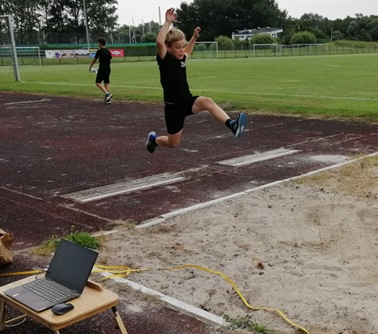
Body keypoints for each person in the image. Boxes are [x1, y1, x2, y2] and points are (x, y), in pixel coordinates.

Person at [146, 7, 247, 153]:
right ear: (168, 48)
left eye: (182, 46)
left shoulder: (182, 59)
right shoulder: (165, 60)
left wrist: (193, 38)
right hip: (174, 108)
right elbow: (160, 42)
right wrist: (168, 22)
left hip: (187, 101)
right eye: (178, 47)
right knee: (173, 143)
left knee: (207, 101)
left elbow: (187, 51)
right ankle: (153, 139)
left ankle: (232, 125)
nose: (182, 50)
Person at [89, 37, 113, 104]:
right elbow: (110, 61)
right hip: (108, 68)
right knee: (106, 83)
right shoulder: (108, 51)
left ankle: (107, 94)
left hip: (102, 68)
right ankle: (108, 99)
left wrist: (90, 66)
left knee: (98, 82)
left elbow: (94, 59)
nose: (97, 44)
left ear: (100, 43)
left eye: (98, 43)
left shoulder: (99, 51)